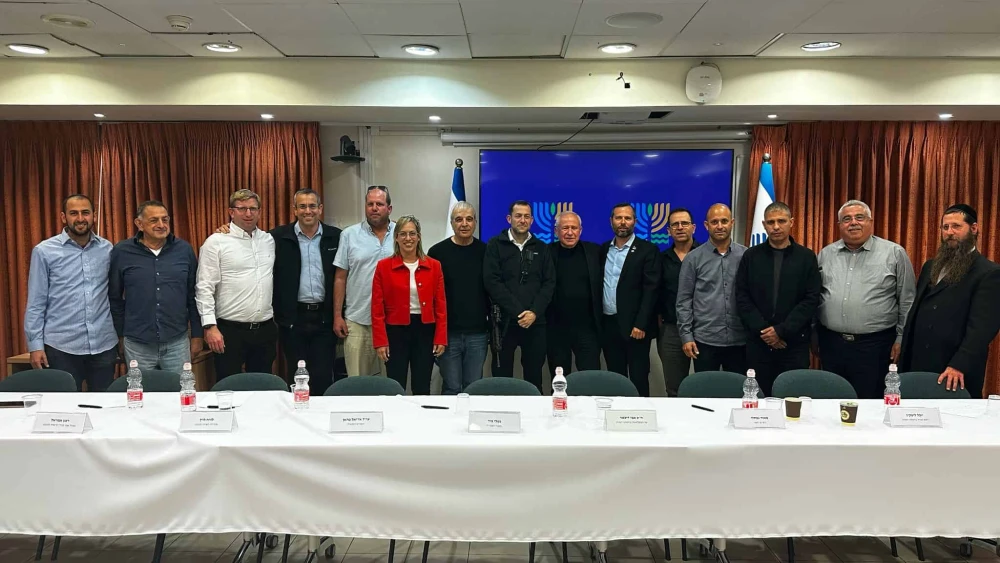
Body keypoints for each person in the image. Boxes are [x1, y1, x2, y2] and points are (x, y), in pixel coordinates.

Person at [816, 200, 915, 399]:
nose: (853, 223)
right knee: (831, 402)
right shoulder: (826, 254)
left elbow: (907, 300)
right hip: (832, 344)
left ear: (870, 222)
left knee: (870, 404)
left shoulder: (894, 253)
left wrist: (901, 338)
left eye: (859, 217)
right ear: (839, 225)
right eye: (846, 219)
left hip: (875, 347)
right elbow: (816, 296)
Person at [900, 204, 1000, 398]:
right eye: (945, 227)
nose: (949, 232)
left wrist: (959, 364)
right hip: (918, 362)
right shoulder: (931, 266)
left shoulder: (989, 273)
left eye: (956, 226)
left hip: (954, 368)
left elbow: (982, 329)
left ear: (974, 228)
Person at [25, 194, 118, 391]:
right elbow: (36, 302)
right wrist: (35, 345)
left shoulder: (107, 249)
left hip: (103, 344)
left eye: (85, 212)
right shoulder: (44, 251)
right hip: (61, 347)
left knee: (106, 409)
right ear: (63, 217)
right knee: (63, 410)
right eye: (73, 213)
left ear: (94, 215)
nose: (80, 218)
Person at [734, 202, 822, 396]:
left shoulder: (806, 257)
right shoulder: (751, 256)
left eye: (781, 221)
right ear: (764, 225)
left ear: (791, 222)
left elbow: (811, 299)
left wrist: (781, 331)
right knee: (758, 399)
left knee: (792, 399)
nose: (776, 226)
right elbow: (742, 296)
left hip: (794, 344)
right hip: (758, 344)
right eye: (771, 222)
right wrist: (766, 333)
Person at [109, 200, 203, 374]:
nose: (161, 225)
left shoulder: (184, 250)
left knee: (181, 394)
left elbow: (194, 295)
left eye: (165, 220)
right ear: (139, 224)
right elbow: (114, 298)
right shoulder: (122, 252)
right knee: (141, 397)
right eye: (154, 220)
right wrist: (120, 336)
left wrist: (197, 335)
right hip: (137, 343)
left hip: (177, 341)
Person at [196, 189, 277, 379]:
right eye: (242, 209)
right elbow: (204, 287)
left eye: (253, 209)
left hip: (265, 330)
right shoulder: (216, 242)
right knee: (228, 387)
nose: (248, 214)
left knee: (262, 388)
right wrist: (209, 326)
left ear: (259, 211)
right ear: (231, 212)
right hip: (229, 331)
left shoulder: (268, 240)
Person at [271, 188, 342, 394]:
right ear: (294, 210)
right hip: (293, 320)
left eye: (312, 206)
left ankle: (320, 422)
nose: (307, 211)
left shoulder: (336, 237)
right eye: (302, 206)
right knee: (297, 376)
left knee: (322, 376)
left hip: (324, 319)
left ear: (320, 209)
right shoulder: (277, 237)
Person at [483, 200, 556, 391]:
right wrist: (518, 312)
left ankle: (535, 419)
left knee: (534, 376)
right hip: (504, 322)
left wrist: (533, 312)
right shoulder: (495, 245)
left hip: (535, 322)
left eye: (526, 216)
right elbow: (492, 282)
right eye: (518, 216)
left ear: (532, 220)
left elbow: (549, 284)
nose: (522, 220)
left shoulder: (542, 247)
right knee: (501, 377)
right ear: (509, 219)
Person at [372, 216, 447, 394]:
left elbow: (441, 306)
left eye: (412, 233)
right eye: (403, 234)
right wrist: (380, 341)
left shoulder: (434, 266)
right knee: (395, 384)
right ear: (396, 237)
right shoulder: (383, 267)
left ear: (419, 237)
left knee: (422, 384)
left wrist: (440, 338)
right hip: (395, 332)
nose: (408, 238)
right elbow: (377, 308)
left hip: (425, 330)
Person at [676, 203, 747, 374]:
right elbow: (684, 301)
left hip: (740, 340)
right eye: (714, 222)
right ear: (706, 226)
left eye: (724, 221)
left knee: (737, 393)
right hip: (705, 340)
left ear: (732, 223)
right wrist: (686, 336)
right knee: (705, 393)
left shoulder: (746, 255)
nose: (720, 226)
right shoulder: (693, 258)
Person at [600, 203, 661, 397]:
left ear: (635, 221)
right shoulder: (602, 250)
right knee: (615, 378)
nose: (623, 222)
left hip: (636, 329)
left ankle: (639, 417)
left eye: (627, 218)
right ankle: (615, 417)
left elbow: (651, 290)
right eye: (618, 218)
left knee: (638, 377)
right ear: (611, 221)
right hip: (609, 324)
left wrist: (641, 324)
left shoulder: (647, 250)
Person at [428, 202, 489, 394]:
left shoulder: (486, 252)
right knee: (452, 387)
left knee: (473, 387)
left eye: (469, 219)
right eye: (459, 219)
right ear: (452, 223)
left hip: (478, 333)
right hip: (447, 334)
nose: (464, 224)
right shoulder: (437, 253)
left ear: (475, 223)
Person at [333, 186, 395, 377]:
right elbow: (340, 278)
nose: (374, 208)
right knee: (358, 385)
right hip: (358, 320)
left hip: (393, 323)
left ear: (389, 208)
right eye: (370, 204)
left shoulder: (403, 234)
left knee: (392, 384)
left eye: (379, 204)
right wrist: (337, 315)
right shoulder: (349, 235)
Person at [546, 211, 603, 375]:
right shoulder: (545, 253)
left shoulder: (595, 252)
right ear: (556, 231)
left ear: (581, 230)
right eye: (565, 228)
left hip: (588, 329)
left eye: (574, 228)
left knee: (590, 379)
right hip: (556, 329)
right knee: (559, 380)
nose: (570, 232)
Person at [657, 208, 699, 397]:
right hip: (671, 331)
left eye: (685, 223)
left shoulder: (707, 255)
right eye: (675, 224)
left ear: (694, 227)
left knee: (704, 385)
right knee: (674, 388)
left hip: (704, 329)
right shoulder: (660, 259)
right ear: (668, 230)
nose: (680, 227)